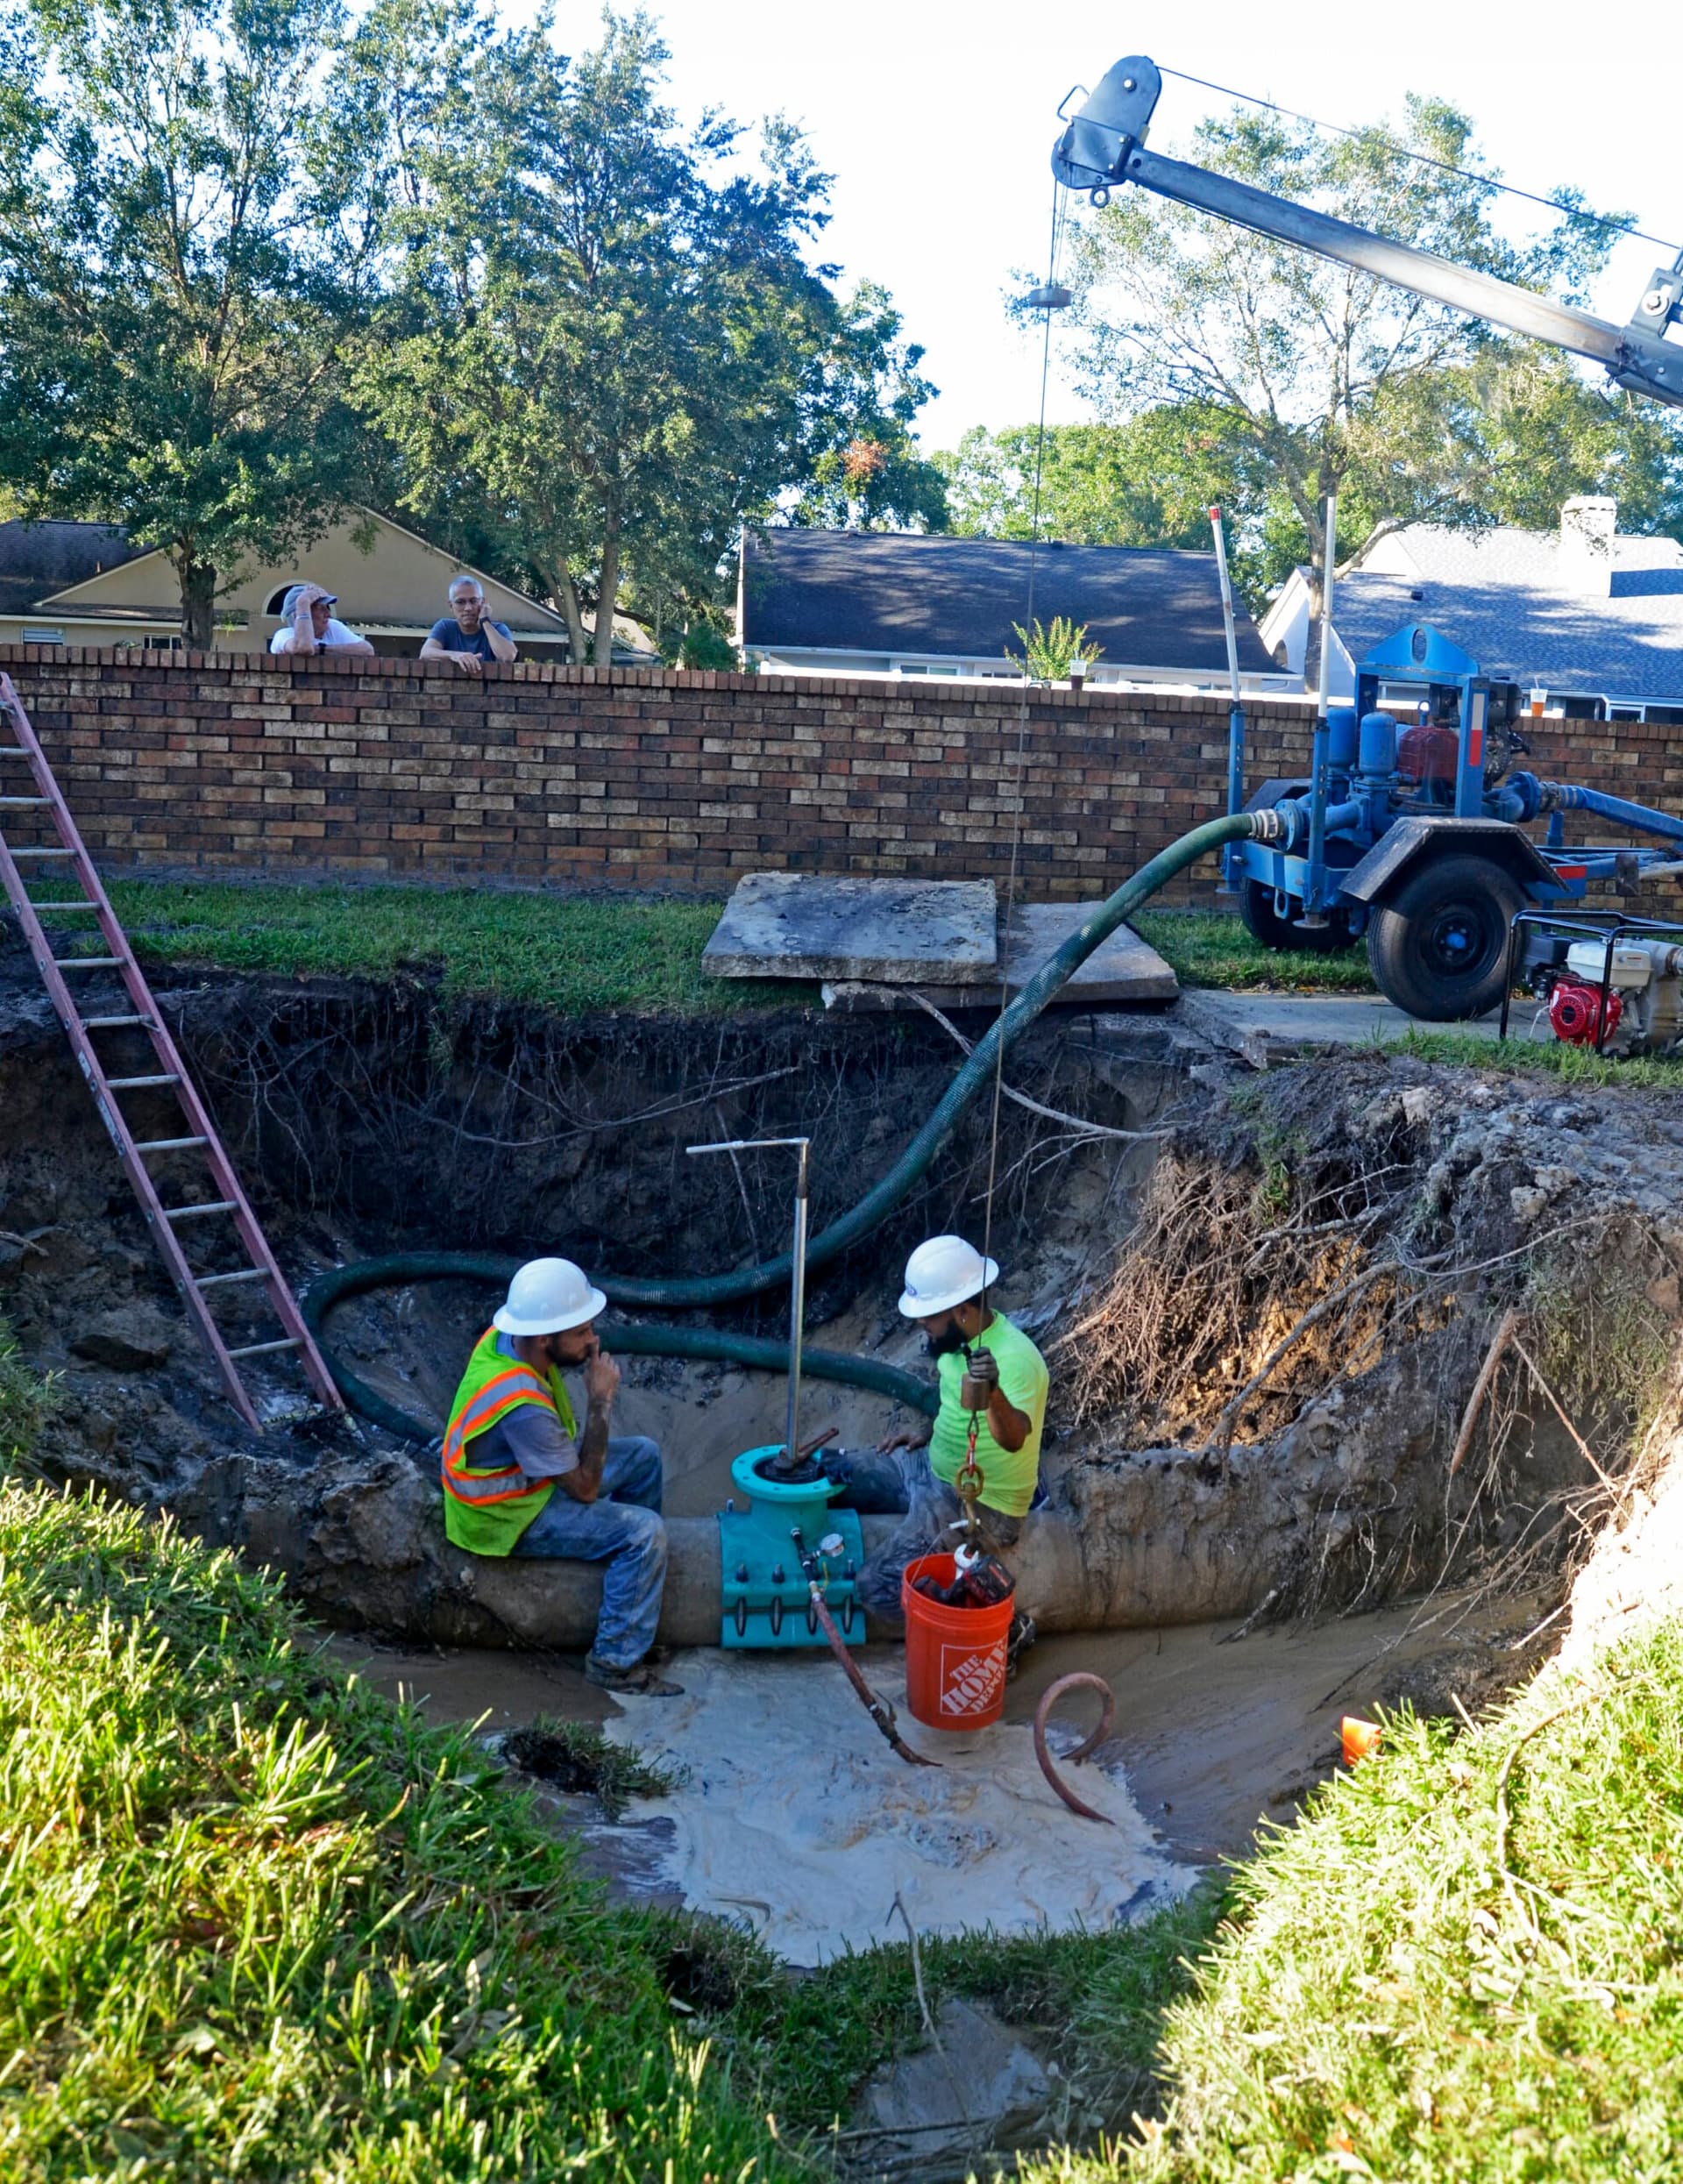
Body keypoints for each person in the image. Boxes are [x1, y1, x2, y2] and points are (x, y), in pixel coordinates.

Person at [441, 1256, 680, 1696]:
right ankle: (615, 1662)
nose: (593, 1340)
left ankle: (634, 1591)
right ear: (545, 1338)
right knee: (645, 1532)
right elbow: (586, 1489)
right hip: (506, 1516)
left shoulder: (507, 1337)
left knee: (644, 1456)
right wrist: (600, 1402)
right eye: (581, 1332)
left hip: (530, 1478)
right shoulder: (521, 1403)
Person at [820, 1234, 1048, 1663]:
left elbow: (1013, 1438)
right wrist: (930, 1434)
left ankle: (997, 1628)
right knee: (834, 1473)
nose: (920, 1324)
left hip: (979, 1504)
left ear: (962, 1311)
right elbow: (958, 1407)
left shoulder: (1017, 1360)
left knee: (877, 1586)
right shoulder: (952, 1346)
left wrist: (994, 1391)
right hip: (931, 1466)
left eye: (928, 1315)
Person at [420, 575, 518, 676]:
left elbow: (508, 656)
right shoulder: (445, 627)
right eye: (460, 602)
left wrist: (485, 621)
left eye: (473, 601)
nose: (468, 608)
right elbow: (425, 654)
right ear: (451, 606)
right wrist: (455, 655)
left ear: (482, 602)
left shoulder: (498, 629)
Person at [270, 582, 375, 658]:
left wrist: (320, 649)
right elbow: (303, 648)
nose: (328, 614)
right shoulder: (283, 635)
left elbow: (367, 650)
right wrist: (303, 603)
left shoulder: (332, 626)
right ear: (298, 614)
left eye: (327, 608)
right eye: (320, 608)